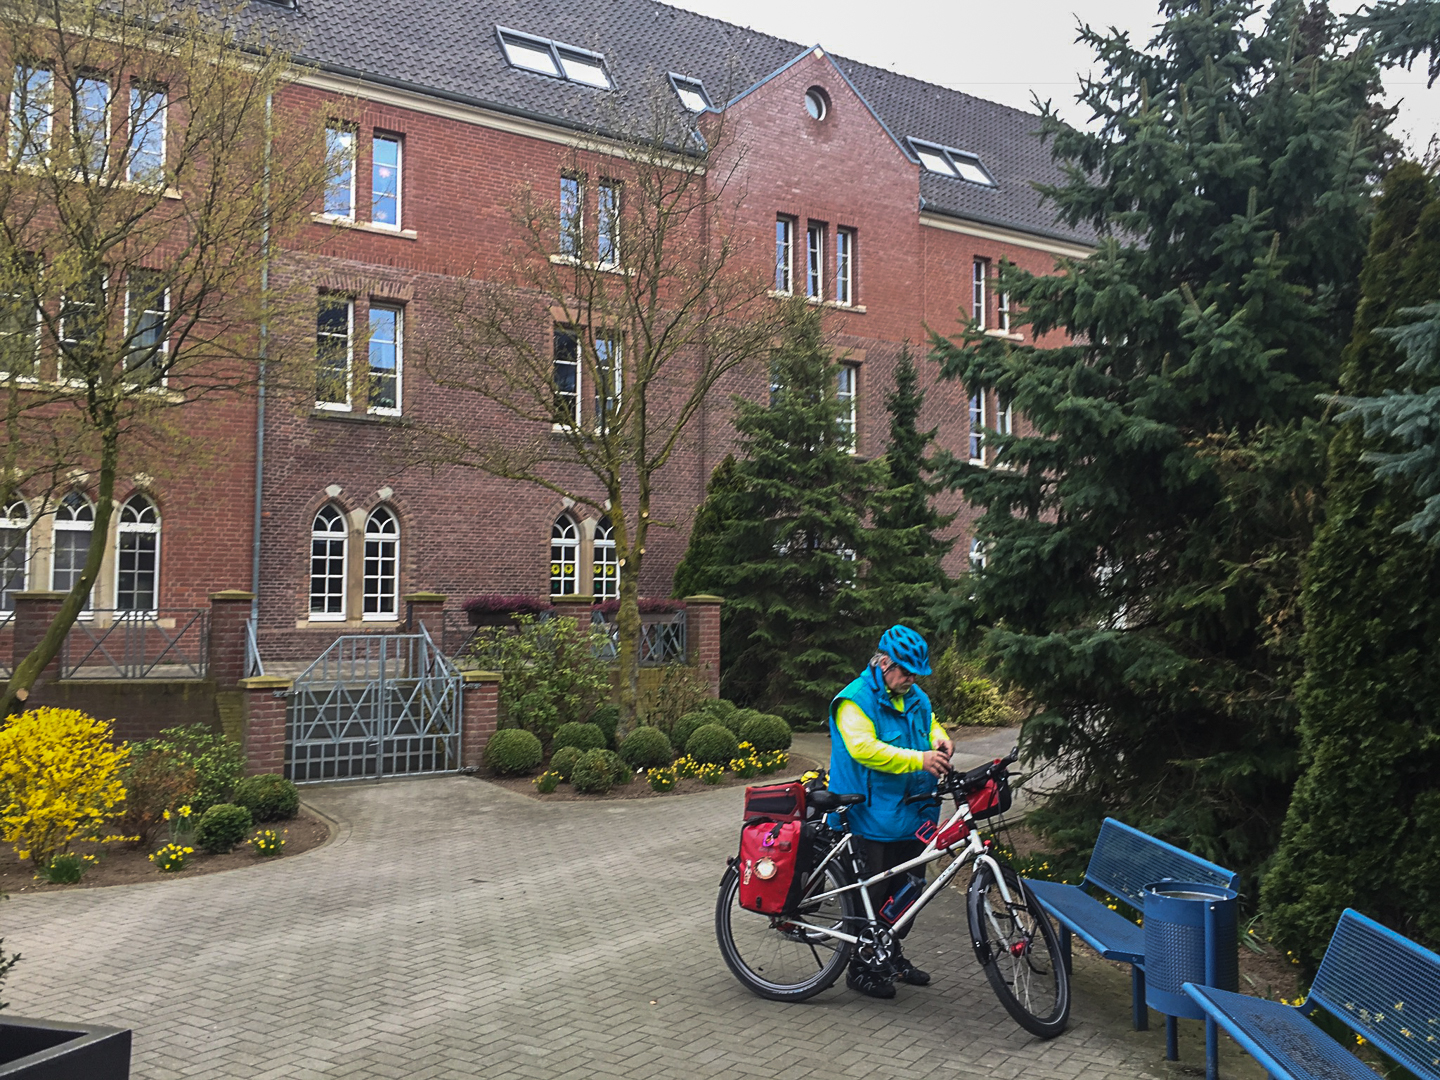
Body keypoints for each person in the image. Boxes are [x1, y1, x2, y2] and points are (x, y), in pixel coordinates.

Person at [828, 624, 953, 999]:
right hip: (870, 816)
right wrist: (920, 759)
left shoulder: (916, 696)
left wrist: (940, 738)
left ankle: (890, 954)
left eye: (916, 673)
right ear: (884, 663)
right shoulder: (854, 701)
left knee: (907, 893)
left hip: (914, 814)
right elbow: (864, 749)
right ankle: (860, 967)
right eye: (906, 671)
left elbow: (929, 723)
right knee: (872, 897)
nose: (912, 679)